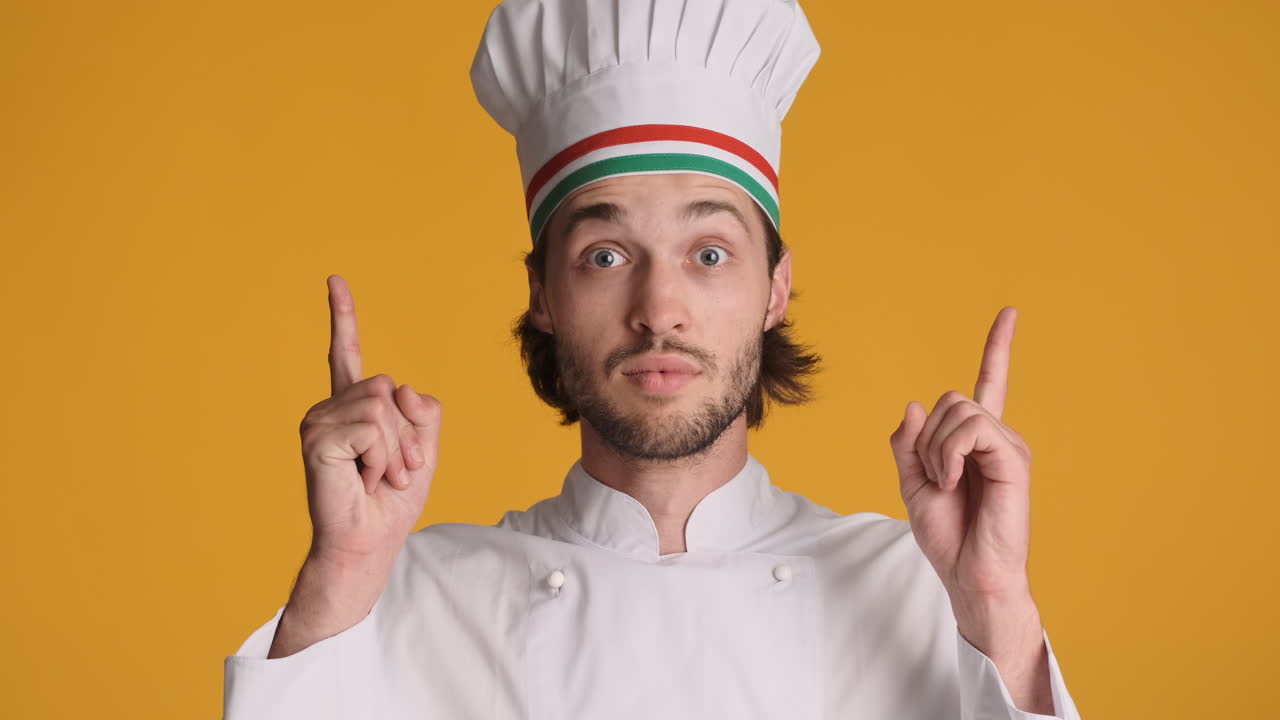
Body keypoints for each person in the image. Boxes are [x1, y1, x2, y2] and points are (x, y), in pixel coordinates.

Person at [223, 1, 1083, 718]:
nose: (658, 310)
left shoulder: (922, 588)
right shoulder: (410, 597)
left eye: (709, 253)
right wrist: (336, 578)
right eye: (606, 255)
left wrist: (1000, 607)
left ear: (776, 288)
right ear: (544, 293)